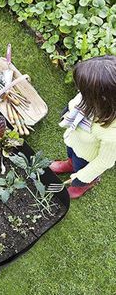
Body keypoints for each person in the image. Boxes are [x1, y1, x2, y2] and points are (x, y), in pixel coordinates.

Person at [50, 55, 116, 199]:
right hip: (75, 139)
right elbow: (78, 100)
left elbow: (104, 161)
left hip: (88, 157)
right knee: (72, 154)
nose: (80, 93)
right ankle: (70, 164)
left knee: (81, 167)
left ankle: (86, 185)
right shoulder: (90, 99)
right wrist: (68, 109)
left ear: (103, 99)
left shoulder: (112, 134)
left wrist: (82, 177)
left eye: (84, 92)